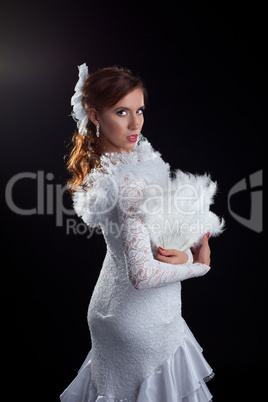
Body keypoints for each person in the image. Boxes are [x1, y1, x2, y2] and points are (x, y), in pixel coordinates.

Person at [60, 64, 218, 401]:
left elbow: (145, 238)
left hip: (115, 311)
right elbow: (143, 274)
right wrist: (197, 265)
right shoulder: (129, 180)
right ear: (95, 116)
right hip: (141, 322)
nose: (136, 124)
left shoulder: (122, 161)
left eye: (139, 111)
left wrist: (186, 245)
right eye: (122, 112)